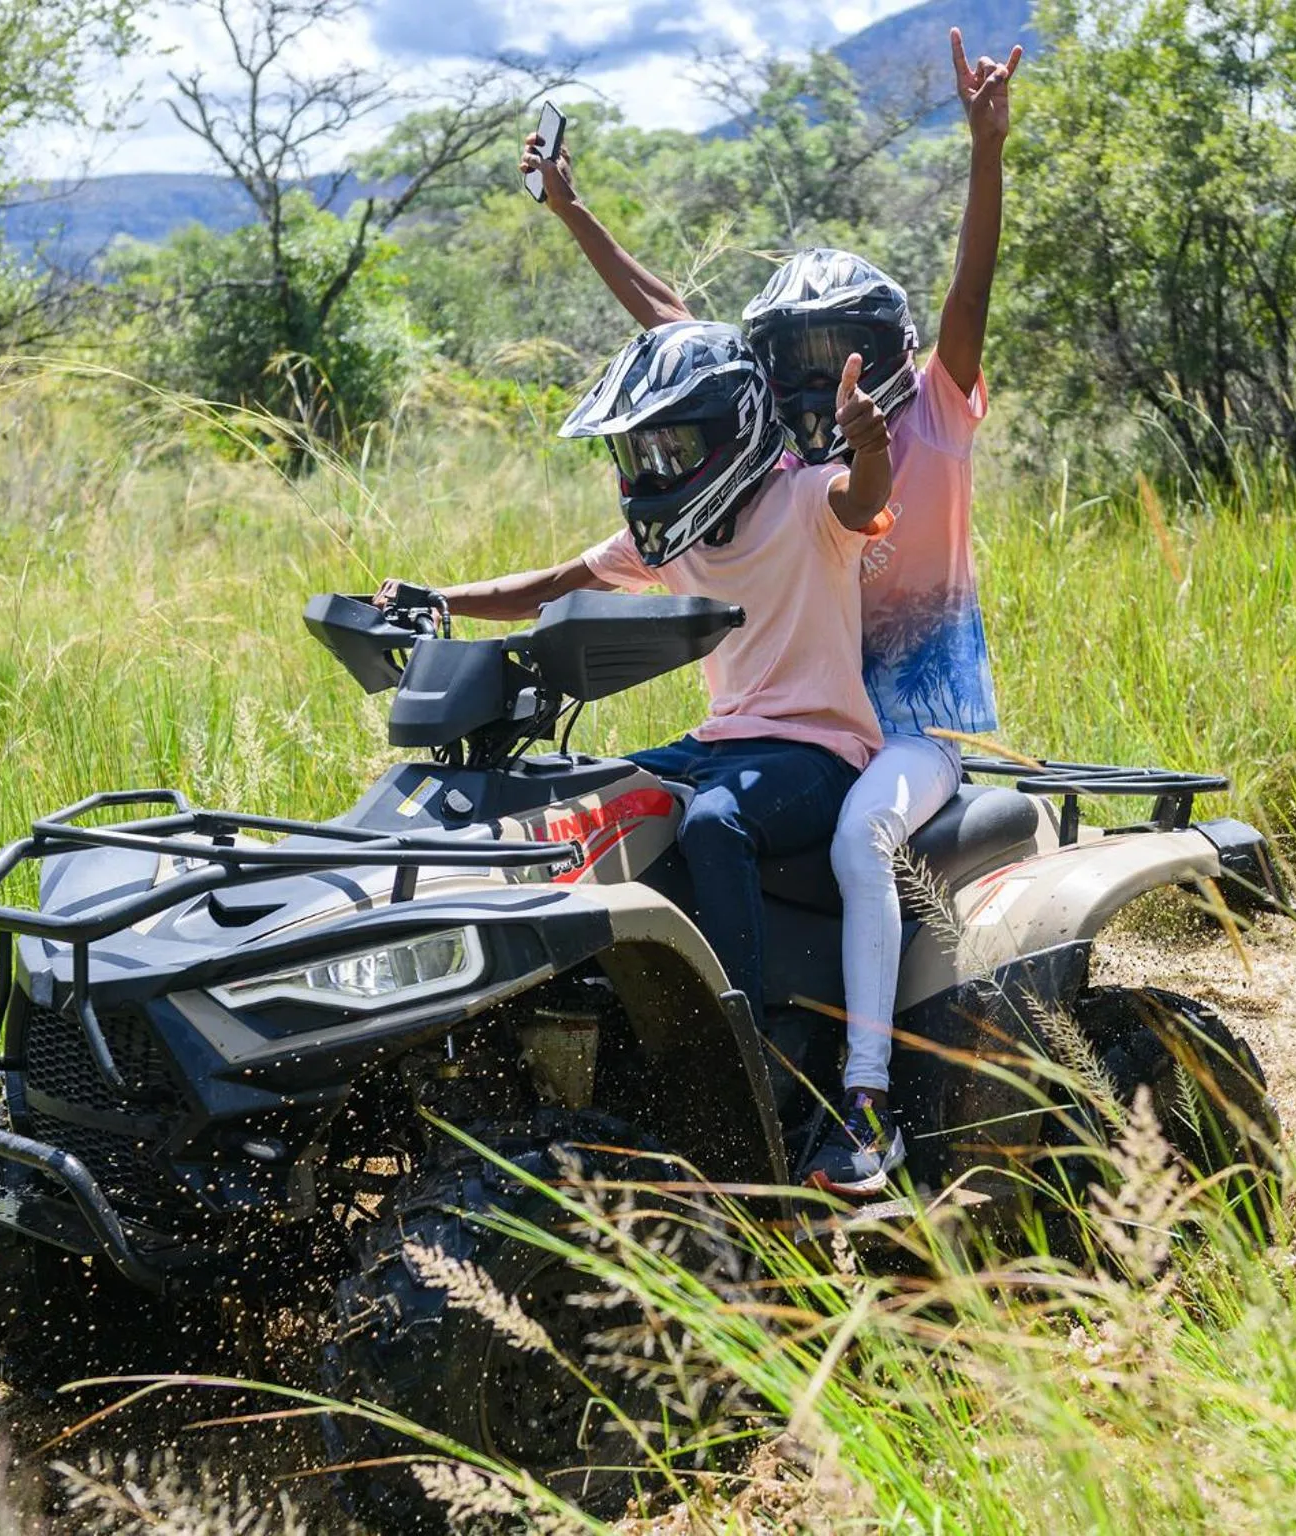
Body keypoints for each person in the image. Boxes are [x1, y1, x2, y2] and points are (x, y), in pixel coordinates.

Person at [519, 30, 1021, 1196]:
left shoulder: (933, 417)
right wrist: (574, 213)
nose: (816, 380)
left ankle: (859, 1104)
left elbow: (967, 291)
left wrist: (984, 153)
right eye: (792, 359)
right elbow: (669, 319)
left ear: (885, 354)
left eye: (838, 354)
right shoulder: (777, 477)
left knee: (861, 841)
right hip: (793, 726)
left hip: (910, 726)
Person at [383, 319, 893, 1040]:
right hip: (719, 742)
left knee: (716, 823)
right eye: (637, 450)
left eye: (670, 446)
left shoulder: (807, 502)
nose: (652, 468)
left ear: (731, 433)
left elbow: (864, 497)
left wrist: (871, 445)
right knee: (581, 790)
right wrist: (440, 597)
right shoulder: (672, 535)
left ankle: (735, 1037)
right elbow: (552, 586)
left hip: (816, 750)